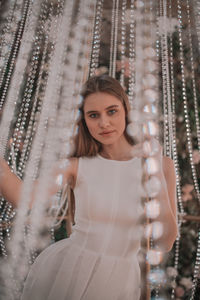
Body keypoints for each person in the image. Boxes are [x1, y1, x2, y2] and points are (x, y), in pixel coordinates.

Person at [0, 75, 178, 300]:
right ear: (84, 120)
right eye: (93, 115)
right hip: (72, 272)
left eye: (111, 111)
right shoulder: (76, 166)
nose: (104, 123)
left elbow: (166, 241)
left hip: (123, 281)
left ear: (126, 110)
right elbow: (21, 197)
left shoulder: (161, 165)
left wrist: (153, 170)